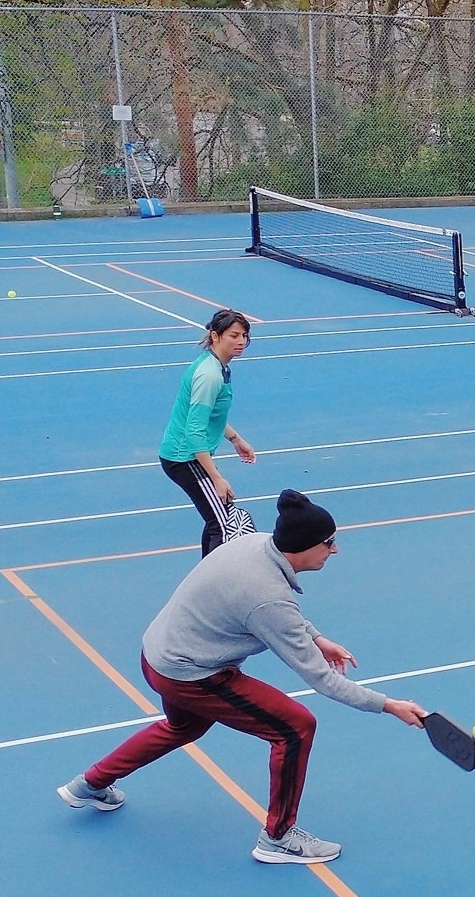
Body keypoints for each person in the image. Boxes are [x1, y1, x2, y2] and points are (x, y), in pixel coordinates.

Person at [58, 489, 427, 865]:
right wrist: (388, 705)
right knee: (295, 727)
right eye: (328, 543)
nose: (335, 550)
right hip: (192, 673)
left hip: (157, 654)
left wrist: (316, 637)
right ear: (302, 548)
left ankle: (89, 784)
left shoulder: (254, 544)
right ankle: (278, 837)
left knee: (183, 727)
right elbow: (321, 678)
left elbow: (274, 611)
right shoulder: (267, 597)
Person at [160, 309, 257, 556]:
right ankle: (211, 587)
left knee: (217, 517)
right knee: (222, 524)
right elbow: (194, 430)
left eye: (244, 336)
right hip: (184, 458)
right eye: (234, 335)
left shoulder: (217, 366)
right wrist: (217, 478)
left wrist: (235, 439)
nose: (241, 341)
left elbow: (210, 415)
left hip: (188, 455)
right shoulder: (209, 375)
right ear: (215, 336)